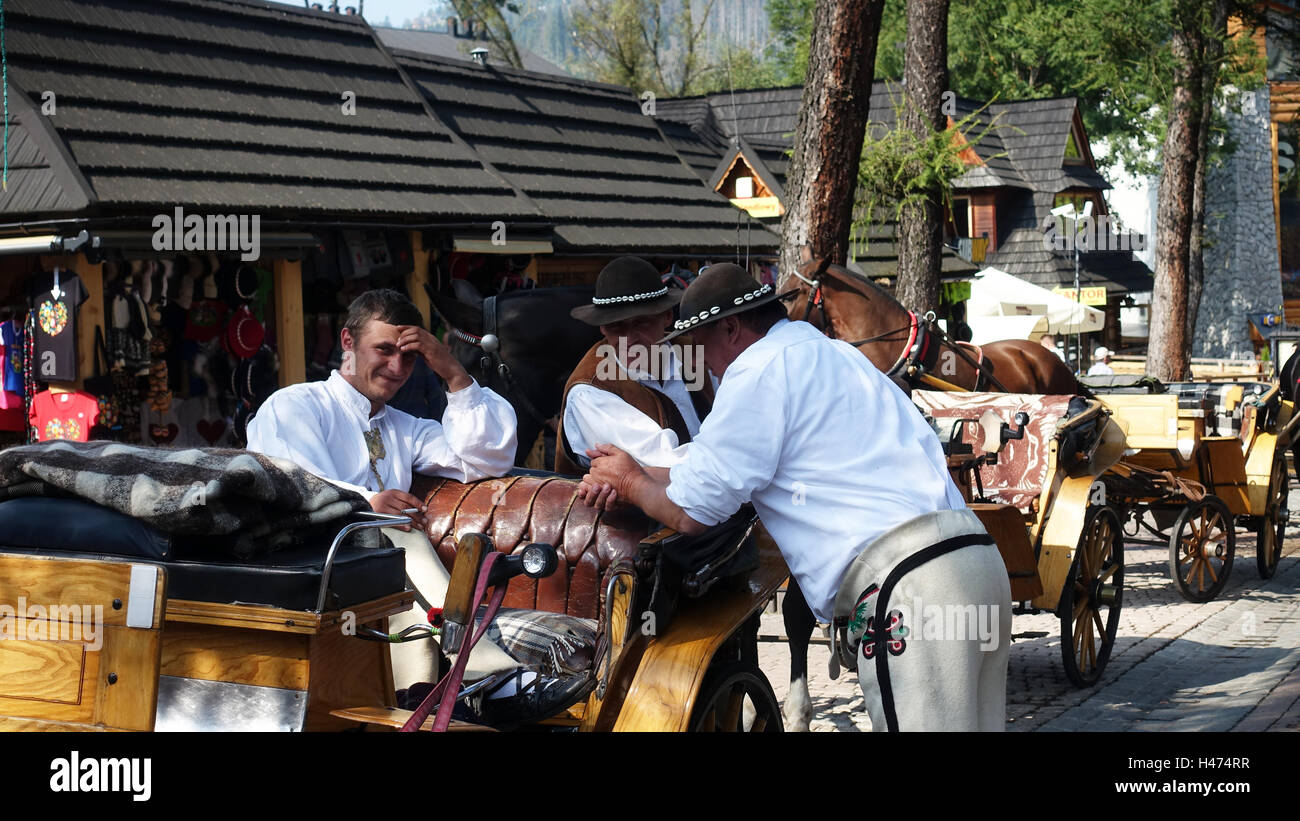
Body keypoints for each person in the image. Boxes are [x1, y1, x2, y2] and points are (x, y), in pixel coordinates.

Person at [576, 264, 1012, 732]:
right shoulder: (835, 355)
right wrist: (634, 471)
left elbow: (690, 511)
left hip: (910, 588)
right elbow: (708, 466)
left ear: (729, 328)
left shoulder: (755, 371)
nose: (699, 362)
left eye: (698, 345)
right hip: (975, 561)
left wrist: (630, 483)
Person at [245, 289, 538, 710]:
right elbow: (293, 485)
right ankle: (489, 676)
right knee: (399, 538)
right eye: (383, 350)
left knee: (398, 553)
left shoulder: (404, 427)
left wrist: (454, 374)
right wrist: (366, 504)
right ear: (347, 343)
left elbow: (486, 458)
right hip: (306, 563)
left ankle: (416, 695)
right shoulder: (295, 405)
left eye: (410, 358)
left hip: (372, 577)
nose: (397, 368)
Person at [555, 256, 713, 475]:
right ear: (602, 328)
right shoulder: (590, 391)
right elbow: (665, 460)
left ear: (667, 317)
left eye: (641, 322)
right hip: (627, 509)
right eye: (616, 327)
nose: (628, 339)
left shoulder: (698, 353)